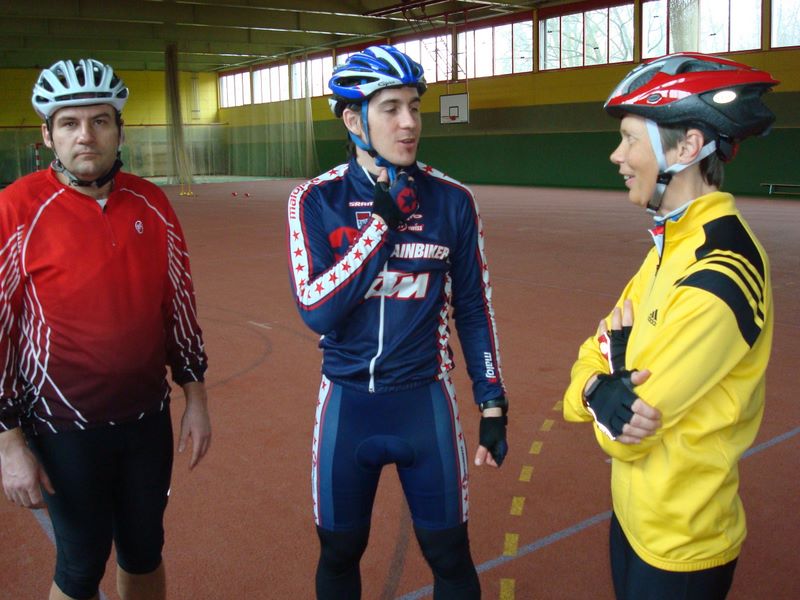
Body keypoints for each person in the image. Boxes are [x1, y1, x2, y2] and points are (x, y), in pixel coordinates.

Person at [287, 45, 508, 599]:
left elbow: (473, 307)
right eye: (390, 108)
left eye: (414, 106)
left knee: (450, 557)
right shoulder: (315, 201)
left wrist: (492, 399)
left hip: (424, 405)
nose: (409, 122)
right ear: (353, 119)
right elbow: (317, 310)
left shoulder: (453, 201)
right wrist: (381, 228)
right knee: (339, 553)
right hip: (346, 407)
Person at [563, 52, 778, 600]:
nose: (617, 155)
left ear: (687, 148)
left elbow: (627, 436)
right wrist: (596, 387)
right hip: (633, 518)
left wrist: (607, 373)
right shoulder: (670, 247)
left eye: (630, 138)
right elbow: (589, 359)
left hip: (684, 544)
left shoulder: (721, 268)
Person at [0, 58, 211, 600]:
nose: (85, 135)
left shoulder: (152, 202)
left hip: (146, 421)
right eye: (69, 123)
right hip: (62, 427)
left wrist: (196, 397)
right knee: (79, 566)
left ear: (120, 130)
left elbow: (178, 305)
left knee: (144, 551)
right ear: (47, 135)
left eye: (99, 121)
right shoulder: (16, 209)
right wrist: (8, 441)